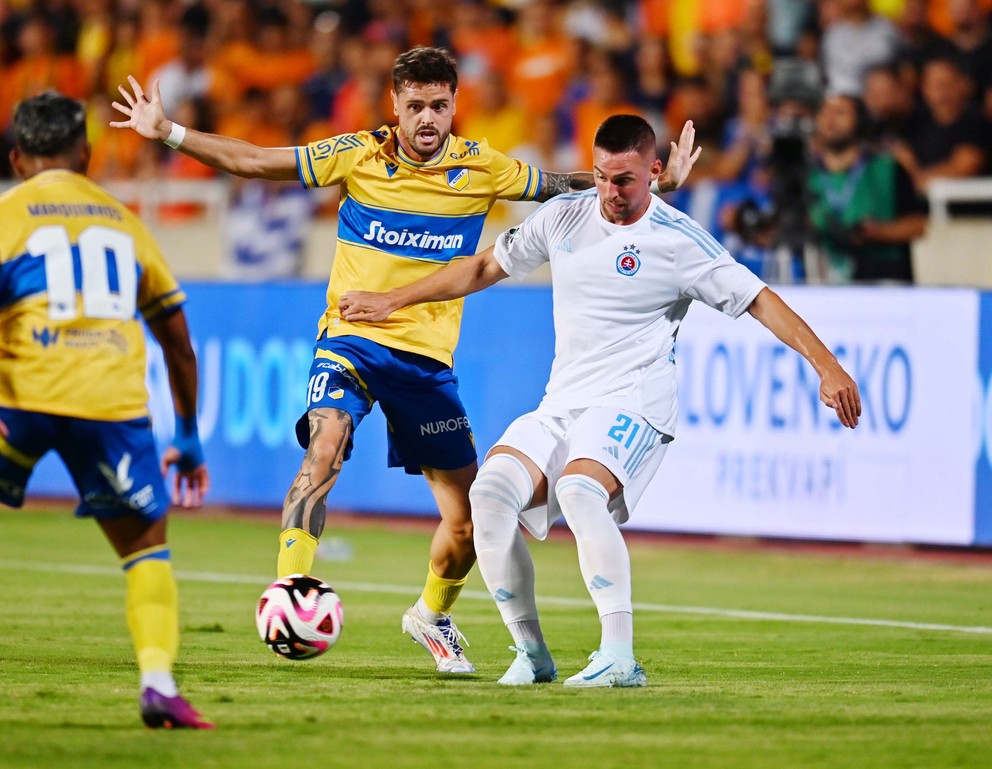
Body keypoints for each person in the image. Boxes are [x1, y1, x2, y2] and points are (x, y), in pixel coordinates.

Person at [110, 45, 703, 674]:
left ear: (454, 105)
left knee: (469, 521)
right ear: (394, 103)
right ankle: (291, 589)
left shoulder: (483, 168)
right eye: (415, 105)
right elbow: (256, 160)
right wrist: (169, 132)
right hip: (351, 339)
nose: (427, 118)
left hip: (424, 360)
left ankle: (430, 615)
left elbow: (568, 187)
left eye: (439, 106)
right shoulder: (357, 154)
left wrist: (652, 184)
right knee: (326, 445)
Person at [338, 114, 862, 687]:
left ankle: (619, 657)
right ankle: (531, 653)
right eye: (602, 176)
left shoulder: (678, 240)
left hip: (635, 402)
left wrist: (828, 366)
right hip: (563, 402)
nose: (609, 191)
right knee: (488, 494)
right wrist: (394, 300)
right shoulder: (564, 214)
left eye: (625, 180)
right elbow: (485, 265)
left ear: (653, 172)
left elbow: (759, 299)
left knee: (580, 491)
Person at [0, 92, 212, 727]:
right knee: (146, 550)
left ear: (16, 159)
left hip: (22, 395)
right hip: (109, 405)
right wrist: (189, 435)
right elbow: (178, 343)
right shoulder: (125, 223)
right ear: (87, 154)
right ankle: (158, 684)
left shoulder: (8, 217)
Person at [807, 93, 927, 283]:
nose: (830, 120)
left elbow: (919, 225)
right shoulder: (805, 174)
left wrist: (879, 232)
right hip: (820, 278)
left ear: (860, 121)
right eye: (824, 112)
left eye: (840, 112)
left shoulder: (887, 168)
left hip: (882, 278)